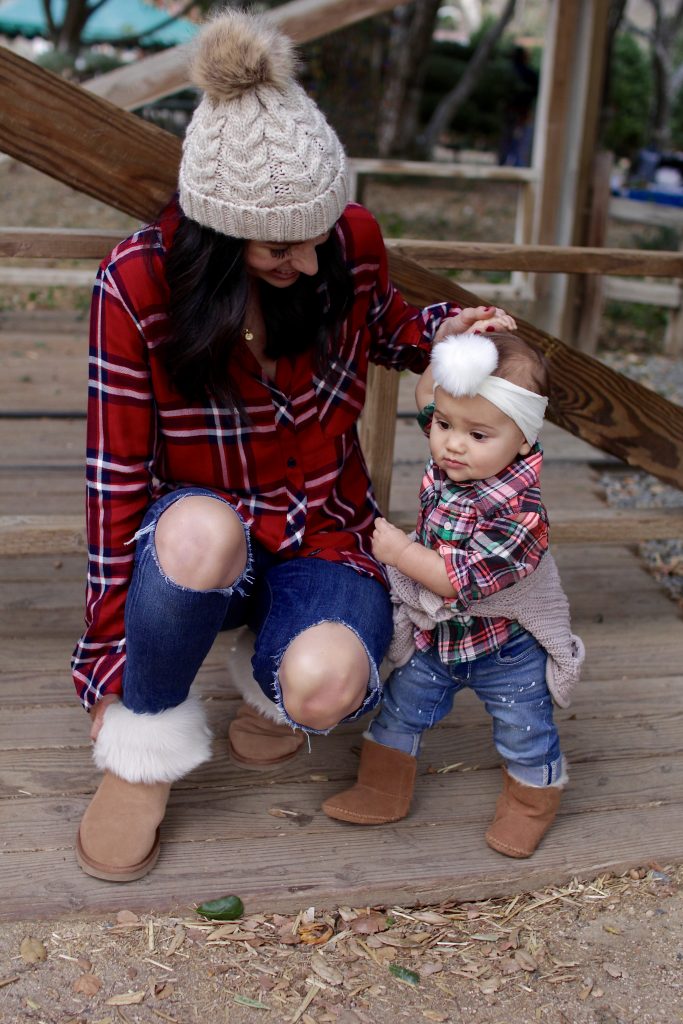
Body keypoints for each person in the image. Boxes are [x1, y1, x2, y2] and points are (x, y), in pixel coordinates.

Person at [72, 9, 470, 882]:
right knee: (198, 533)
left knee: (325, 682)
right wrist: (109, 669)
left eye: (323, 231)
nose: (311, 255)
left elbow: (391, 324)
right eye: (281, 245)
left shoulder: (341, 243)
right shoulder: (136, 285)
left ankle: (272, 692)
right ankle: (145, 748)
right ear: (218, 233)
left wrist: (456, 332)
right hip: (209, 539)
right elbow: (113, 488)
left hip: (326, 528)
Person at [322, 327, 585, 858]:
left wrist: (399, 553)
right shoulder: (460, 454)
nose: (451, 442)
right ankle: (381, 787)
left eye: (477, 434)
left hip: (507, 648)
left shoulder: (522, 513)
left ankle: (532, 802)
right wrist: (453, 345)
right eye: (444, 426)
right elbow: (429, 396)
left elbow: (457, 579)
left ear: (524, 438)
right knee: (400, 710)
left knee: (523, 727)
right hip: (439, 638)